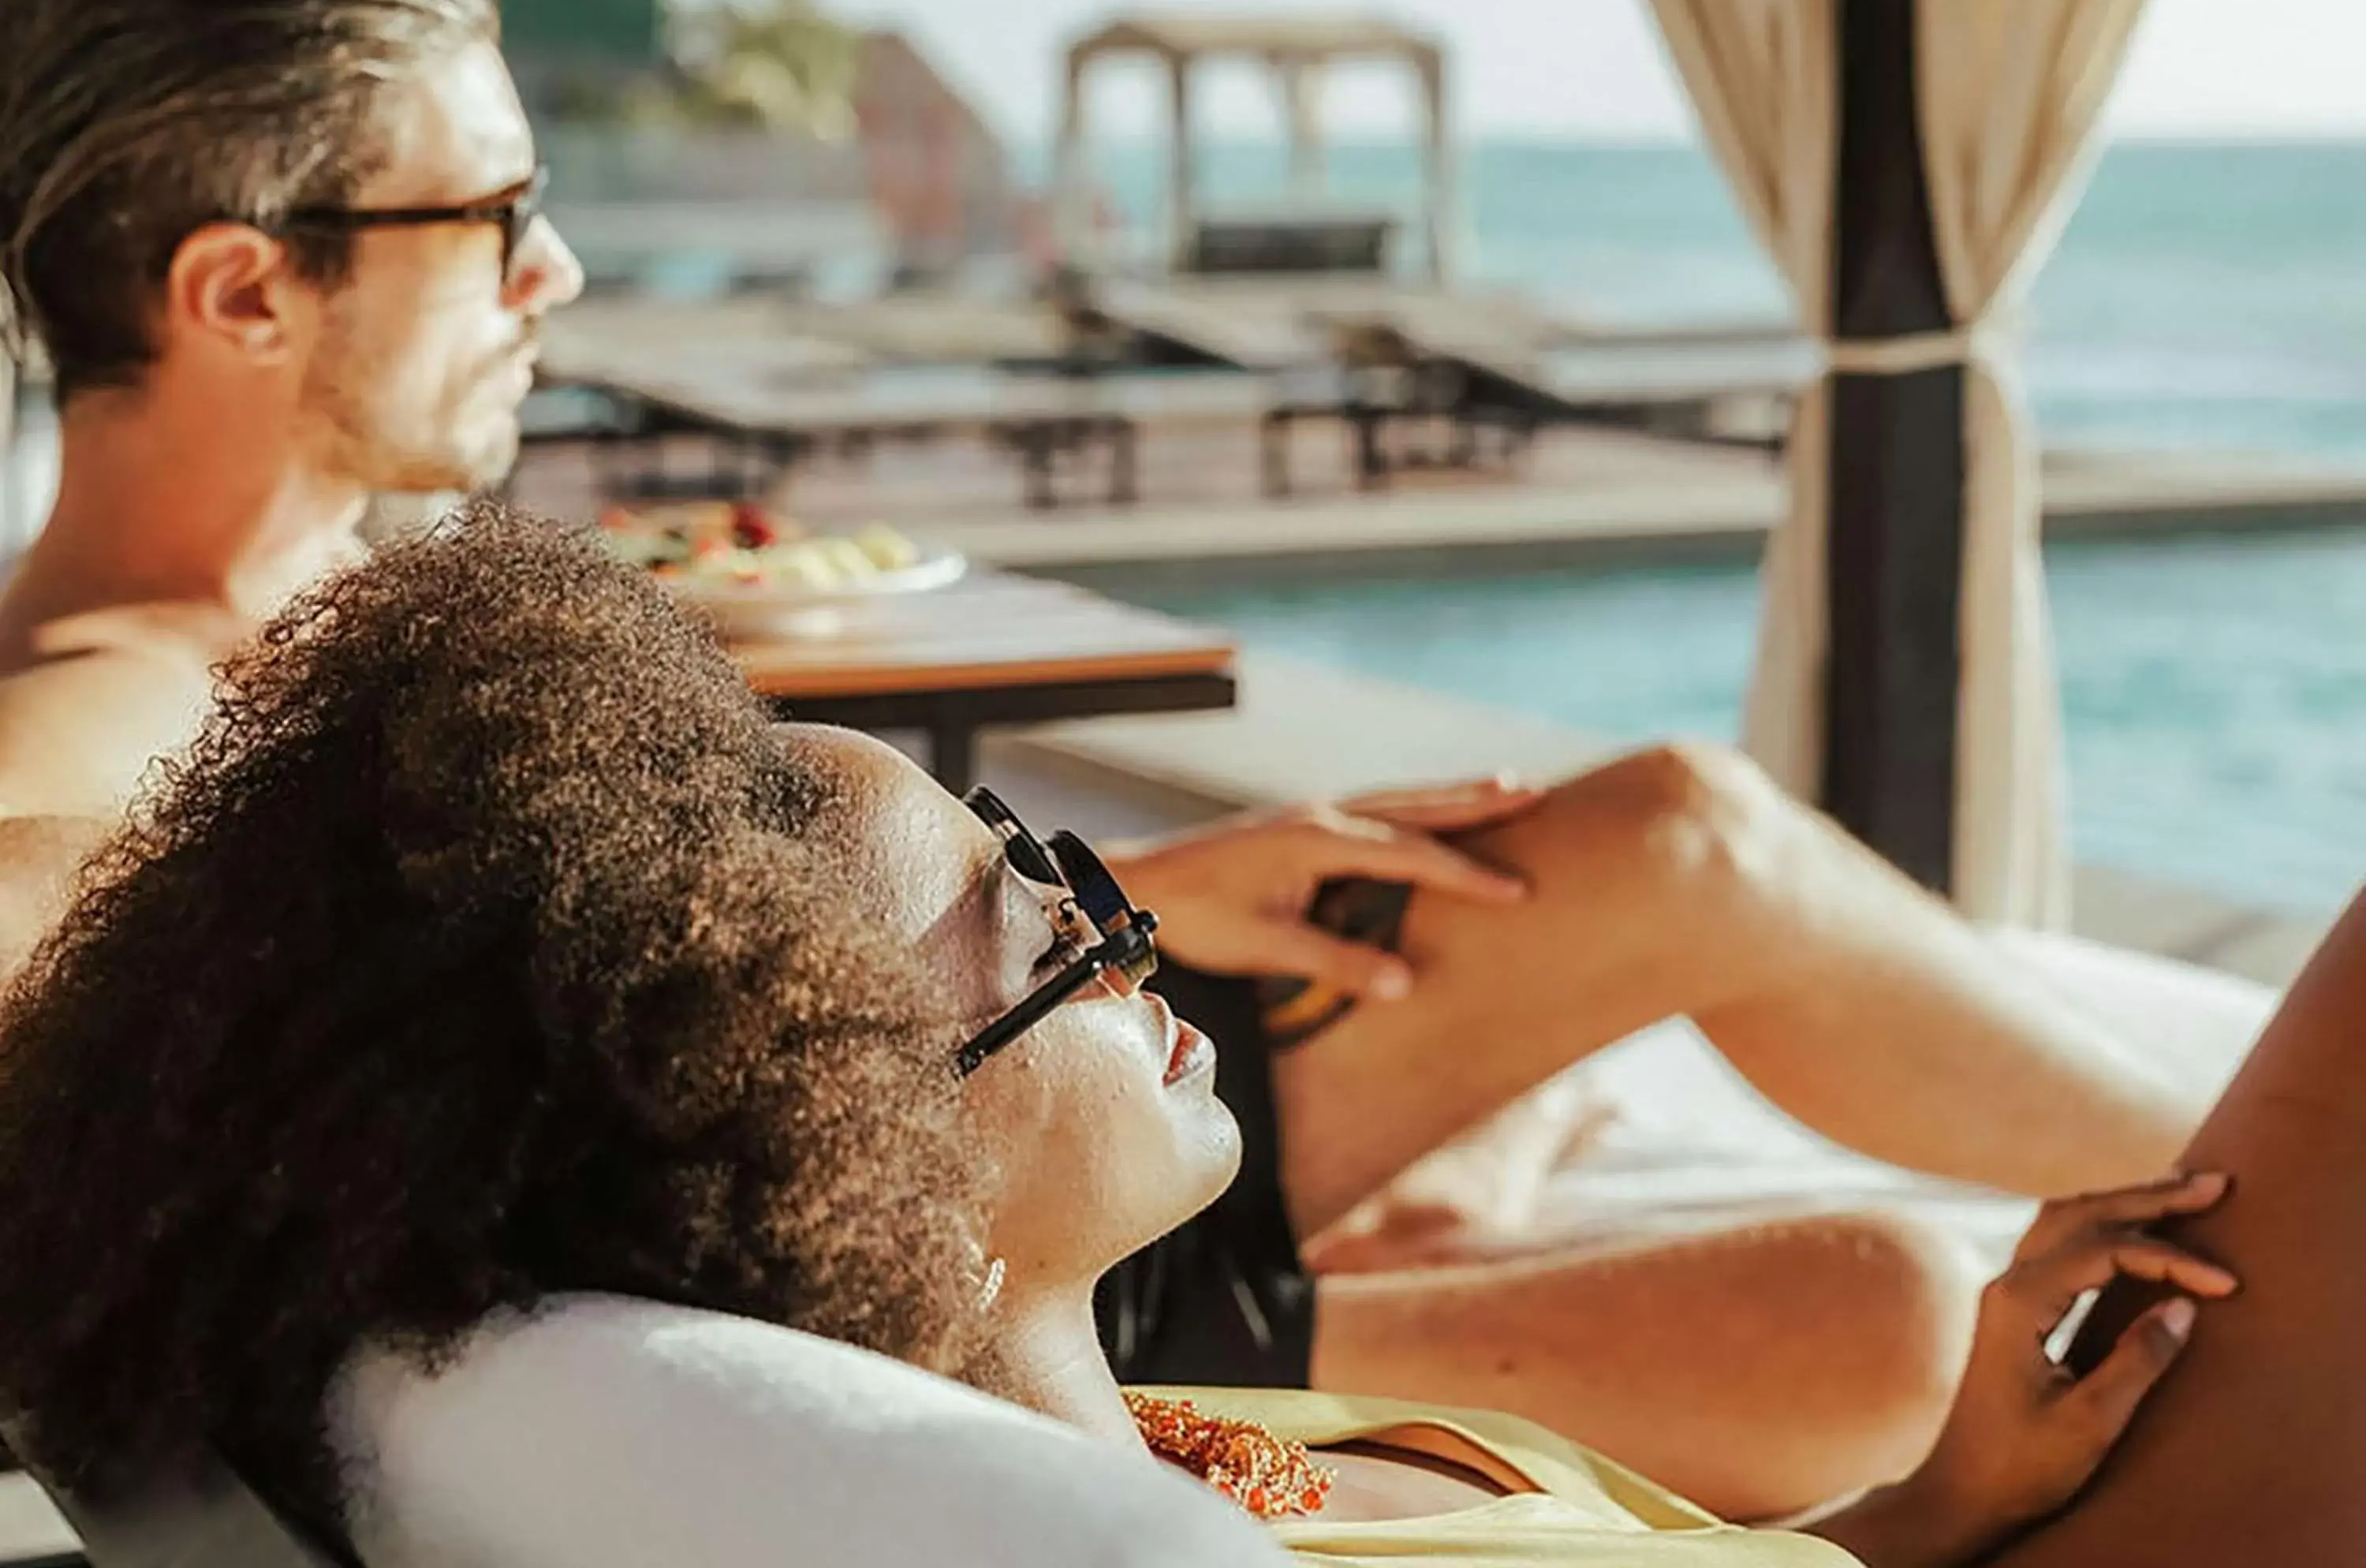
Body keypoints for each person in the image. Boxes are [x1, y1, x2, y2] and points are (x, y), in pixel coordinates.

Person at [0, 0, 2217, 1511]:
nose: (554, 271)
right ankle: (2253, 1226)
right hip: (922, 1240)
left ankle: (2257, 1184)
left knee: (1674, 838)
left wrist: (1124, 888)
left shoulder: (330, 620)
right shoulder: (103, 701)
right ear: (242, 290)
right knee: (1879, 1328)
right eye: (491, 219)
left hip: (949, 1070)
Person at [0, 510, 2259, 1568]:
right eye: (1032, 906)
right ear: (860, 1173)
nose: (1107, 899)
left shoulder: (1155, 1449)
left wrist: (1932, 1503)